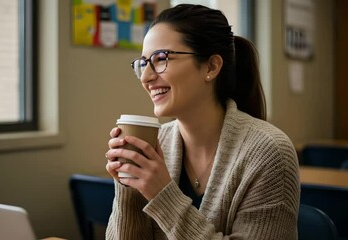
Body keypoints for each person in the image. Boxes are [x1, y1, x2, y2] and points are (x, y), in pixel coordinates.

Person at [105, 4, 300, 240]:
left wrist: (162, 195)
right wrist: (128, 190)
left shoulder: (270, 153)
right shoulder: (159, 143)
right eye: (143, 63)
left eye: (161, 58)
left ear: (211, 66)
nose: (146, 77)